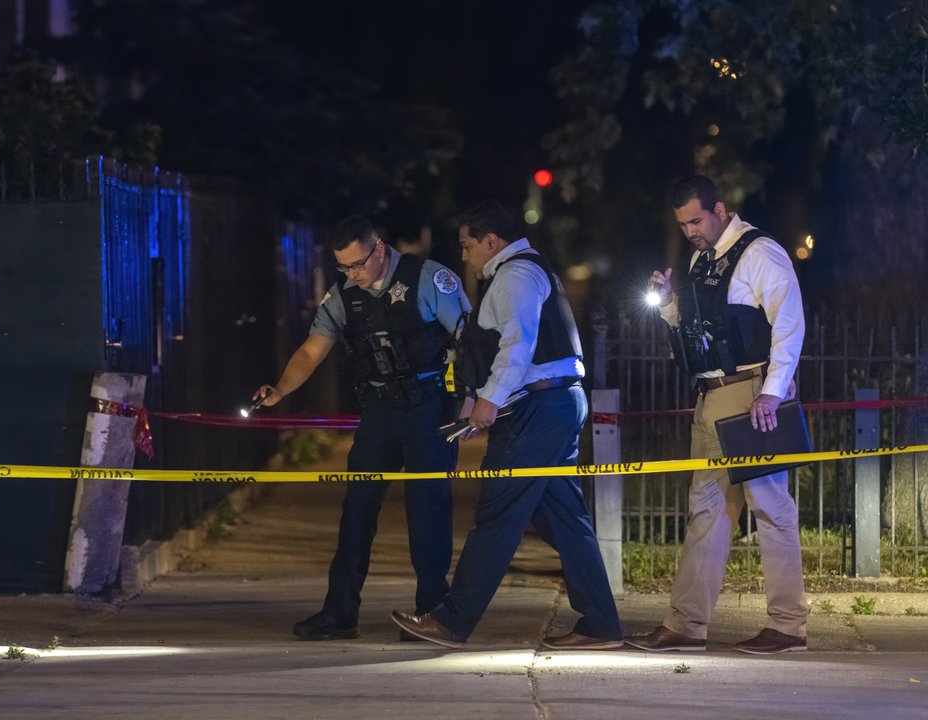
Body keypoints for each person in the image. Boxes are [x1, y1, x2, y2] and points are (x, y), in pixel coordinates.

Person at [390, 200, 622, 650]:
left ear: (491, 241)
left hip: (539, 407)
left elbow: (518, 344)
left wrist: (489, 403)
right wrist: (479, 398)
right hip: (553, 403)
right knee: (565, 520)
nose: (464, 255)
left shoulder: (515, 274)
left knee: (497, 513)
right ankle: (601, 623)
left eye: (467, 245)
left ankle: (452, 622)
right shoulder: (522, 271)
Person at [253, 215, 469, 641]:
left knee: (428, 512)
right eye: (344, 268)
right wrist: (279, 389)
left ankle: (431, 612)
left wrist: (472, 400)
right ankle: (339, 612)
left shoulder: (428, 279)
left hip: (430, 410)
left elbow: (469, 337)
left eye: (357, 264)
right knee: (356, 512)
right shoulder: (343, 296)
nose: (352, 274)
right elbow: (312, 350)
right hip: (378, 414)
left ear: (379, 249)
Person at [626, 174, 808, 656]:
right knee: (705, 510)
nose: (690, 231)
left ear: (720, 209)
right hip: (711, 395)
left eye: (696, 220)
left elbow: (789, 324)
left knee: (770, 506)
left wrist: (771, 393)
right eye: (683, 224)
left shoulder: (759, 252)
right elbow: (693, 327)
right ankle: (686, 624)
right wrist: (667, 304)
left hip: (750, 394)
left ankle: (788, 625)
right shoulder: (701, 259)